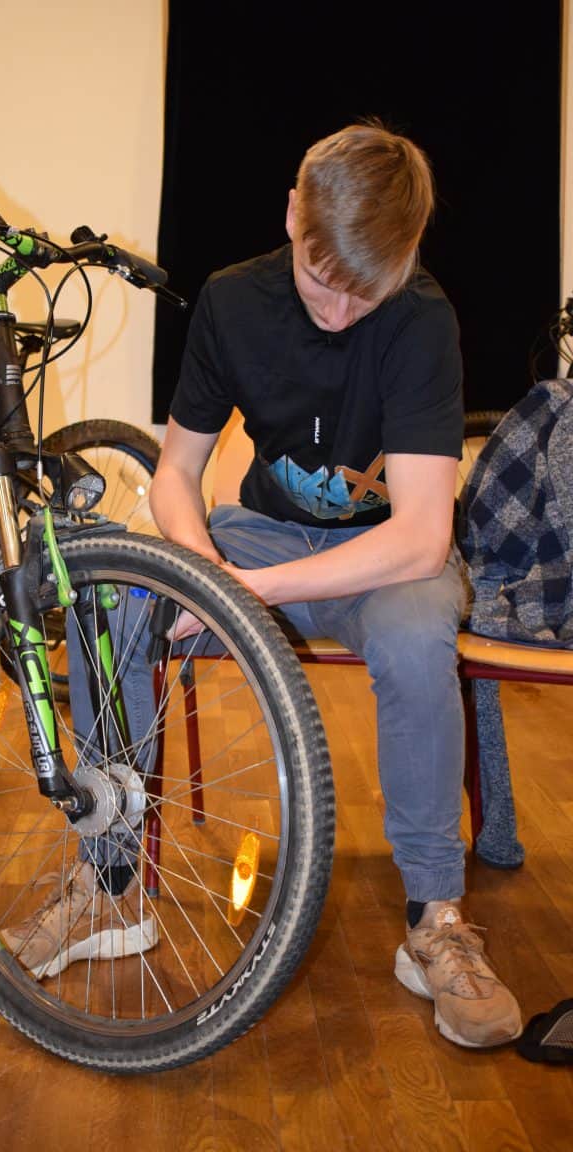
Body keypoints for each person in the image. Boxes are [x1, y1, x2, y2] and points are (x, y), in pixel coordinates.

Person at [145, 120, 522, 1050]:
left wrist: (242, 595)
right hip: (260, 536)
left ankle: (435, 919)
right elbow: (174, 475)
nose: (341, 312)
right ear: (291, 214)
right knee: (123, 592)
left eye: (368, 291)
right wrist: (199, 569)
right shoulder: (232, 300)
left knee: (413, 631)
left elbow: (424, 536)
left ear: (406, 258)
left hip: (385, 558)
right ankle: (108, 875)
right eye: (323, 280)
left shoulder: (422, 315)